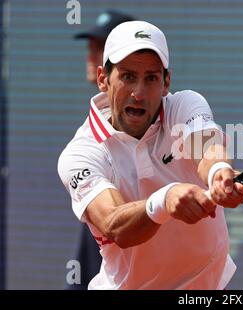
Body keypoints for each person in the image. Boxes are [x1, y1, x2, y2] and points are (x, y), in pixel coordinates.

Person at [58, 20, 243, 289]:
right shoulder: (81, 154)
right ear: (103, 79)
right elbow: (114, 224)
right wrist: (165, 199)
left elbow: (205, 146)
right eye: (128, 77)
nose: (138, 93)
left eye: (151, 78)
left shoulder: (184, 105)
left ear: (166, 82)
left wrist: (218, 171)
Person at [67, 10, 135, 290]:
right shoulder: (84, 144)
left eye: (101, 46)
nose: (91, 53)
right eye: (92, 45)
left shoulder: (174, 120)